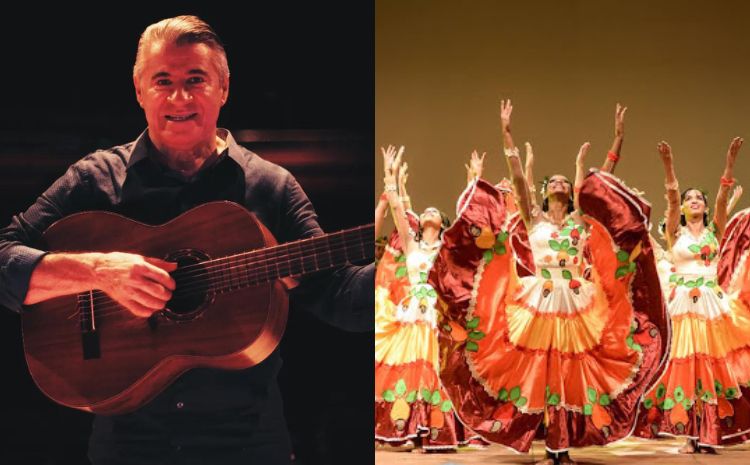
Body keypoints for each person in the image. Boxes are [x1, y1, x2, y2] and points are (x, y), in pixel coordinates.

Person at [0, 15, 373, 465]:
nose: (179, 97)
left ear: (224, 88)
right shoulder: (93, 181)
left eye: (196, 80)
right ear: (140, 91)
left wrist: (407, 269)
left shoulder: (271, 188)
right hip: (128, 446)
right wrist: (101, 272)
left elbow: (338, 295)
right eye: (163, 81)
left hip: (246, 444)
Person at [430, 101, 667, 465]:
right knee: (542, 371)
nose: (558, 182)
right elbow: (520, 180)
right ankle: (550, 443)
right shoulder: (534, 219)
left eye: (564, 180)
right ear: (545, 190)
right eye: (552, 180)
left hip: (575, 301)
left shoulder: (578, 223)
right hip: (540, 300)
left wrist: (617, 139)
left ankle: (563, 446)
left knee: (569, 372)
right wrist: (506, 133)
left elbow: (598, 189)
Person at [636, 139, 750, 454]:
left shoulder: (715, 230)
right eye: (690, 199)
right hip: (683, 304)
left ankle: (710, 432)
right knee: (687, 367)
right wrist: (668, 165)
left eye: (700, 197)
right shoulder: (675, 232)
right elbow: (671, 200)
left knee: (710, 366)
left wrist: (729, 165)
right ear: (683, 208)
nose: (694, 201)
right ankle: (690, 435)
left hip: (711, 305)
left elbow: (724, 197)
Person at [375, 145, 488, 452]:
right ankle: (408, 430)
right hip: (413, 315)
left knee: (439, 371)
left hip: (438, 317)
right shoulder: (411, 246)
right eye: (425, 211)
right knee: (411, 370)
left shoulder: (446, 250)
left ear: (442, 222)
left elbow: (467, 222)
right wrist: (390, 176)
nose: (428, 212)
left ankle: (436, 431)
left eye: (435, 212)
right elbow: (398, 210)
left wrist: (474, 182)